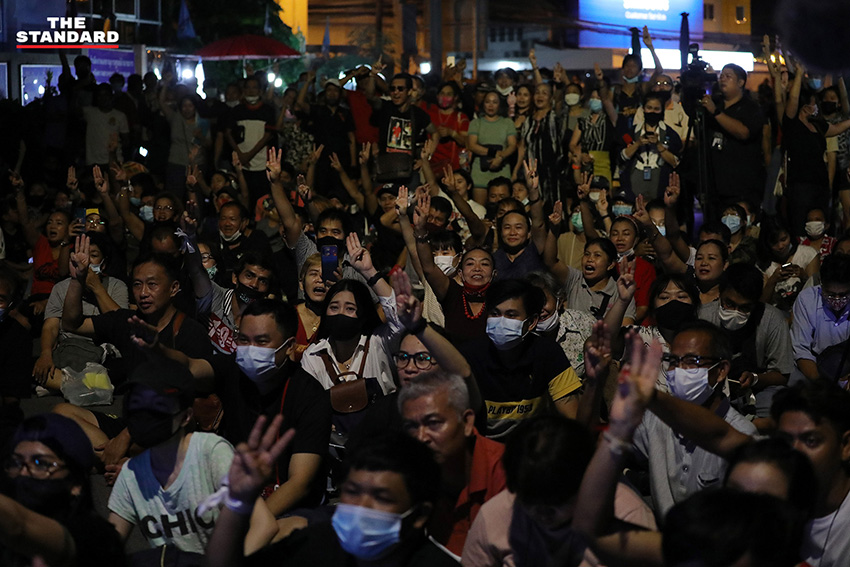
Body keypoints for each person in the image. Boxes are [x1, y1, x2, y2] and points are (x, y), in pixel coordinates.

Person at [56, 238, 212, 471]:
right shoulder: (129, 322)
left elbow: (185, 400)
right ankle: (119, 461)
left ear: (174, 288)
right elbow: (71, 323)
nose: (143, 293)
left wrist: (127, 434)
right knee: (61, 414)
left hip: (171, 426)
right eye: (137, 285)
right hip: (134, 424)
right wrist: (78, 279)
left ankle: (122, 460)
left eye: (152, 284)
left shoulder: (191, 332)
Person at [205, 427, 459, 567]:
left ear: (420, 514)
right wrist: (238, 501)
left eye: (381, 497)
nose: (361, 507)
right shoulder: (316, 545)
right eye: (352, 492)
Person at [107, 358, 277, 557]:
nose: (145, 413)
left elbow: (264, 525)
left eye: (157, 405)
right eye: (136, 403)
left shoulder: (211, 452)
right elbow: (107, 549)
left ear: (186, 416)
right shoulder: (131, 475)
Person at [461, 414, 657, 567]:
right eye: (530, 501)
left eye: (557, 502)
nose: (542, 513)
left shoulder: (627, 517)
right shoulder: (495, 516)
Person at [631, 320, 758, 517]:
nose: (679, 370)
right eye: (674, 362)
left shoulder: (741, 434)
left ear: (721, 370)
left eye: (691, 361)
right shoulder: (655, 420)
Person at [459, 279, 582, 439]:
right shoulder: (470, 355)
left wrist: (595, 381)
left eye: (511, 315)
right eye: (495, 314)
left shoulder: (547, 353)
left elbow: (574, 420)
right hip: (482, 443)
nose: (501, 322)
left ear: (531, 322)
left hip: (529, 446)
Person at [399, 371, 506, 556]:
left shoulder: (508, 472)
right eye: (412, 427)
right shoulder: (405, 472)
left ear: (467, 422)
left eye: (433, 423)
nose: (421, 437)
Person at [0, 413, 125, 567]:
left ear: (76, 483)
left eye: (41, 464)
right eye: (16, 462)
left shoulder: (95, 535)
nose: (24, 473)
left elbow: (18, 526)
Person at [35, 231, 129, 391]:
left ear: (103, 264)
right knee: (32, 368)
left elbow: (120, 324)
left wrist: (96, 287)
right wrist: (45, 354)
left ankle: (68, 385)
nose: (86, 260)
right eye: (82, 255)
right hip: (70, 351)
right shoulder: (61, 287)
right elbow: (51, 326)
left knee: (126, 370)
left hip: (104, 353)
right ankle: (88, 387)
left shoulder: (116, 286)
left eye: (94, 255)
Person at [701, 64, 766, 207]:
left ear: (740, 82)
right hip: (714, 187)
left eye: (728, 76)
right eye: (721, 76)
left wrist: (716, 113)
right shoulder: (715, 104)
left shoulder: (751, 107)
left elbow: (743, 132)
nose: (723, 79)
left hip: (740, 187)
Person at [791, 254, 850, 384]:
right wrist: (822, 386)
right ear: (821, 285)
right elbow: (801, 349)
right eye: (831, 294)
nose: (837, 300)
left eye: (843, 295)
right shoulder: (807, 300)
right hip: (815, 369)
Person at [619, 93, 682, 201]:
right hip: (634, 182)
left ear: (662, 110)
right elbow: (622, 157)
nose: (652, 112)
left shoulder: (670, 134)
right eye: (649, 108)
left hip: (660, 185)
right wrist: (637, 144)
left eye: (656, 109)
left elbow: (675, 162)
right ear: (643, 109)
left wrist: (658, 145)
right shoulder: (631, 132)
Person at [225, 76, 276, 204]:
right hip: (241, 164)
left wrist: (249, 155)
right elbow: (228, 134)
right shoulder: (237, 110)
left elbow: (268, 136)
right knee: (244, 198)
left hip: (261, 164)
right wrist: (240, 155)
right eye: (248, 87)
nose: (251, 91)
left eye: (254, 88)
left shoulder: (268, 110)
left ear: (260, 90)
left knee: (262, 199)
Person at [467, 91, 517, 204]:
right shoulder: (476, 123)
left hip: (502, 171)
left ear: (500, 105)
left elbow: (512, 145)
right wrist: (494, 153)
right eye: (487, 102)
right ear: (483, 104)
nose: (491, 105)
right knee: (480, 209)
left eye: (494, 102)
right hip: (480, 172)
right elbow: (472, 145)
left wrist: (500, 157)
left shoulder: (507, 123)